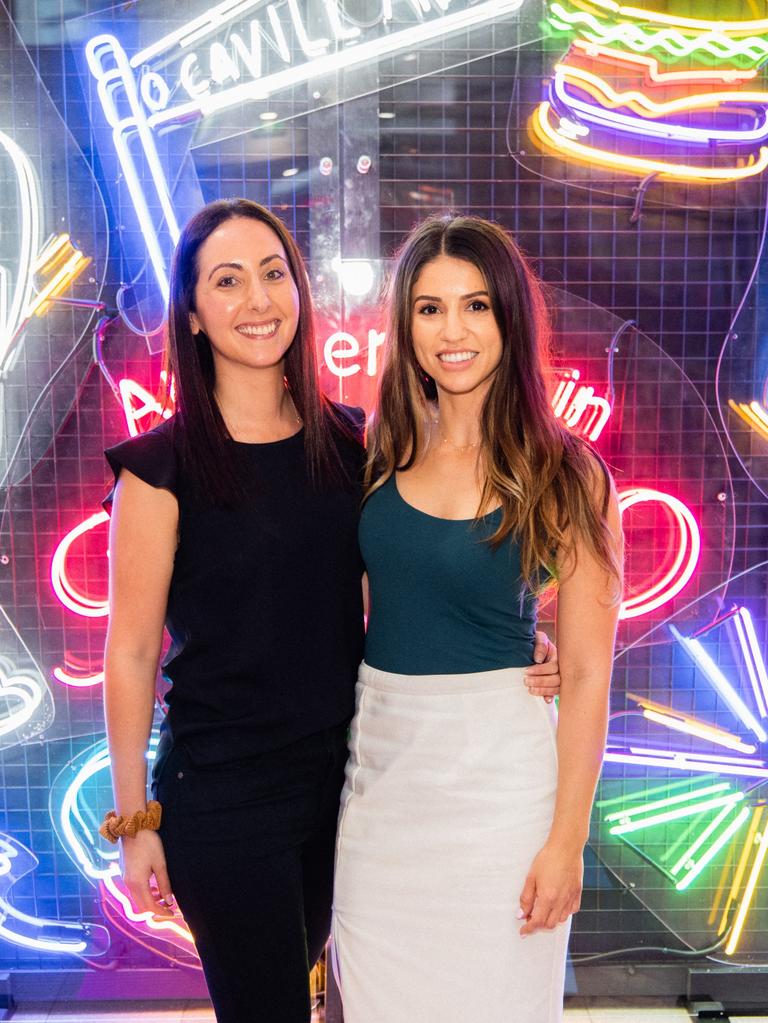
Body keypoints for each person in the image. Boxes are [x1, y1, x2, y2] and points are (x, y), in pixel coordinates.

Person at [100, 198, 562, 1023]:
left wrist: (523, 637)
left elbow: (404, 575)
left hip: (346, 788)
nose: (258, 300)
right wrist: (135, 820)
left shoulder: (354, 443)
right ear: (194, 314)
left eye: (274, 274)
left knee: (340, 1000)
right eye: (228, 281)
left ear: (300, 291)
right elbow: (130, 653)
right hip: (225, 800)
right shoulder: (158, 471)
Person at [332, 215, 623, 1023]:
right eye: (429, 309)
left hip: (502, 792)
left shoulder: (568, 473)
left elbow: (592, 671)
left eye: (475, 306)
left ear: (510, 319)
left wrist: (567, 841)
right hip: (381, 787)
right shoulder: (376, 452)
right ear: (405, 324)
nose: (451, 331)